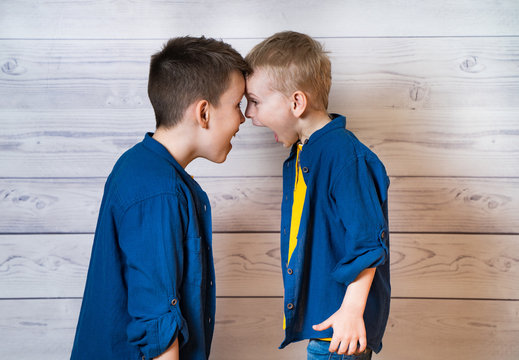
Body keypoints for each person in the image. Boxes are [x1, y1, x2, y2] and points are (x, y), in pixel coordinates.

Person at [71, 36, 249, 360]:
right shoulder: (159, 191)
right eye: (238, 104)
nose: (243, 118)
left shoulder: (142, 166)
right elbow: (156, 325)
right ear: (204, 113)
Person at [244, 31, 390, 360]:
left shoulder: (342, 155)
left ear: (296, 103)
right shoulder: (304, 153)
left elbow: (368, 243)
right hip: (328, 330)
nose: (249, 115)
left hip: (341, 333)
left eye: (255, 101)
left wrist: (351, 312)